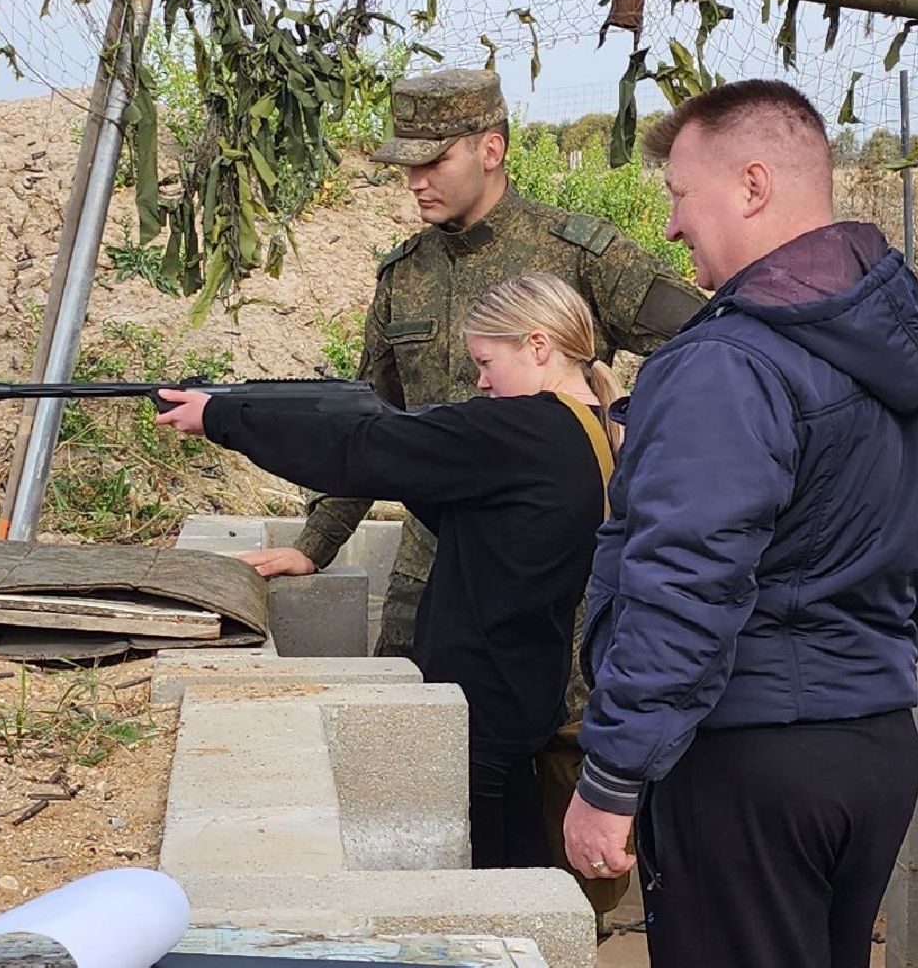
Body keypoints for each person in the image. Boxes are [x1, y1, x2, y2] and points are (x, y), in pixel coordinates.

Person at [561, 80, 918, 968]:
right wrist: (855, 662)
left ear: (751, 185)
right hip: (872, 751)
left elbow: (687, 579)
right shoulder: (914, 349)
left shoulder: (727, 364)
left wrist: (612, 774)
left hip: (749, 764)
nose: (670, 227)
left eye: (678, 194)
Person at [156, 273, 624, 870]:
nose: (480, 381)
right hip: (526, 689)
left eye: (487, 361)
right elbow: (468, 512)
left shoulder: (522, 430)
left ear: (538, 346)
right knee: (517, 861)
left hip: (480, 701)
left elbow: (363, 446)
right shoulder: (583, 432)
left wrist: (226, 418)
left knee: (480, 878)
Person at [235, 67, 704, 662]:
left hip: (555, 573)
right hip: (430, 566)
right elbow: (368, 418)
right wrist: (317, 542)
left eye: (433, 163)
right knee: (410, 736)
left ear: (491, 149)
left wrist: (629, 446)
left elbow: (706, 348)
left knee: (556, 745)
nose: (415, 181)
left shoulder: (583, 254)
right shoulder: (405, 275)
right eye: (407, 166)